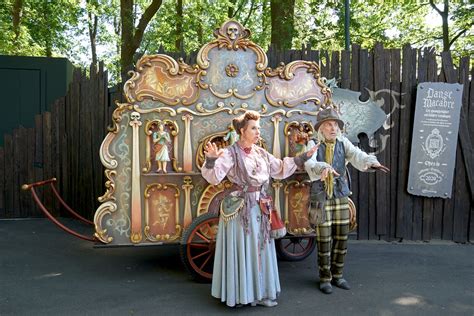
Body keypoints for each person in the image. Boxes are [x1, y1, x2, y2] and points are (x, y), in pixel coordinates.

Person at [202, 110, 317, 307]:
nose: (258, 132)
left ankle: (261, 293)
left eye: (258, 128)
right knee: (243, 248)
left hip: (260, 206)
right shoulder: (230, 153)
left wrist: (303, 157)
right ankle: (240, 295)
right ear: (241, 131)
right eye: (253, 128)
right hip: (240, 209)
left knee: (260, 248)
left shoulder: (261, 152)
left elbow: (279, 168)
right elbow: (213, 177)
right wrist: (212, 159)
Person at [304, 107, 389, 295]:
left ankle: (338, 275)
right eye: (328, 125)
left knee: (342, 237)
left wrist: (371, 161)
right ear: (321, 128)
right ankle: (325, 278)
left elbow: (358, 155)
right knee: (324, 239)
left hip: (340, 194)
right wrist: (323, 168)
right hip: (320, 196)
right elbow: (309, 165)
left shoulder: (344, 143)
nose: (333, 128)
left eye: (335, 125)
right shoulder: (312, 144)